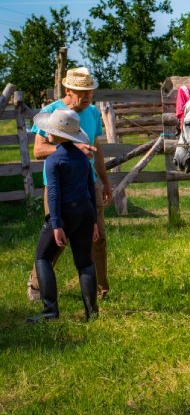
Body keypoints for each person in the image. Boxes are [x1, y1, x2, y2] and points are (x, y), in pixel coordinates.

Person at [28, 67, 112, 301]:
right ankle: (36, 285)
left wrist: (105, 181)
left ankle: (101, 289)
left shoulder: (93, 112)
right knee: (57, 237)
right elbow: (38, 149)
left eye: (90, 92)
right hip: (58, 187)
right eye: (82, 93)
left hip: (88, 185)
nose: (87, 97)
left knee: (98, 237)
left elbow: (97, 149)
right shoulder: (51, 112)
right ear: (68, 91)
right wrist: (73, 148)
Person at [27, 108, 100, 322]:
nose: (46, 132)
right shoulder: (83, 158)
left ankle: (50, 311)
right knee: (85, 262)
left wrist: (56, 224)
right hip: (85, 212)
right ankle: (92, 313)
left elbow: (54, 193)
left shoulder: (54, 160)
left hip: (64, 213)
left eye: (50, 129)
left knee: (42, 258)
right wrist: (94, 221)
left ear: (58, 134)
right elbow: (90, 189)